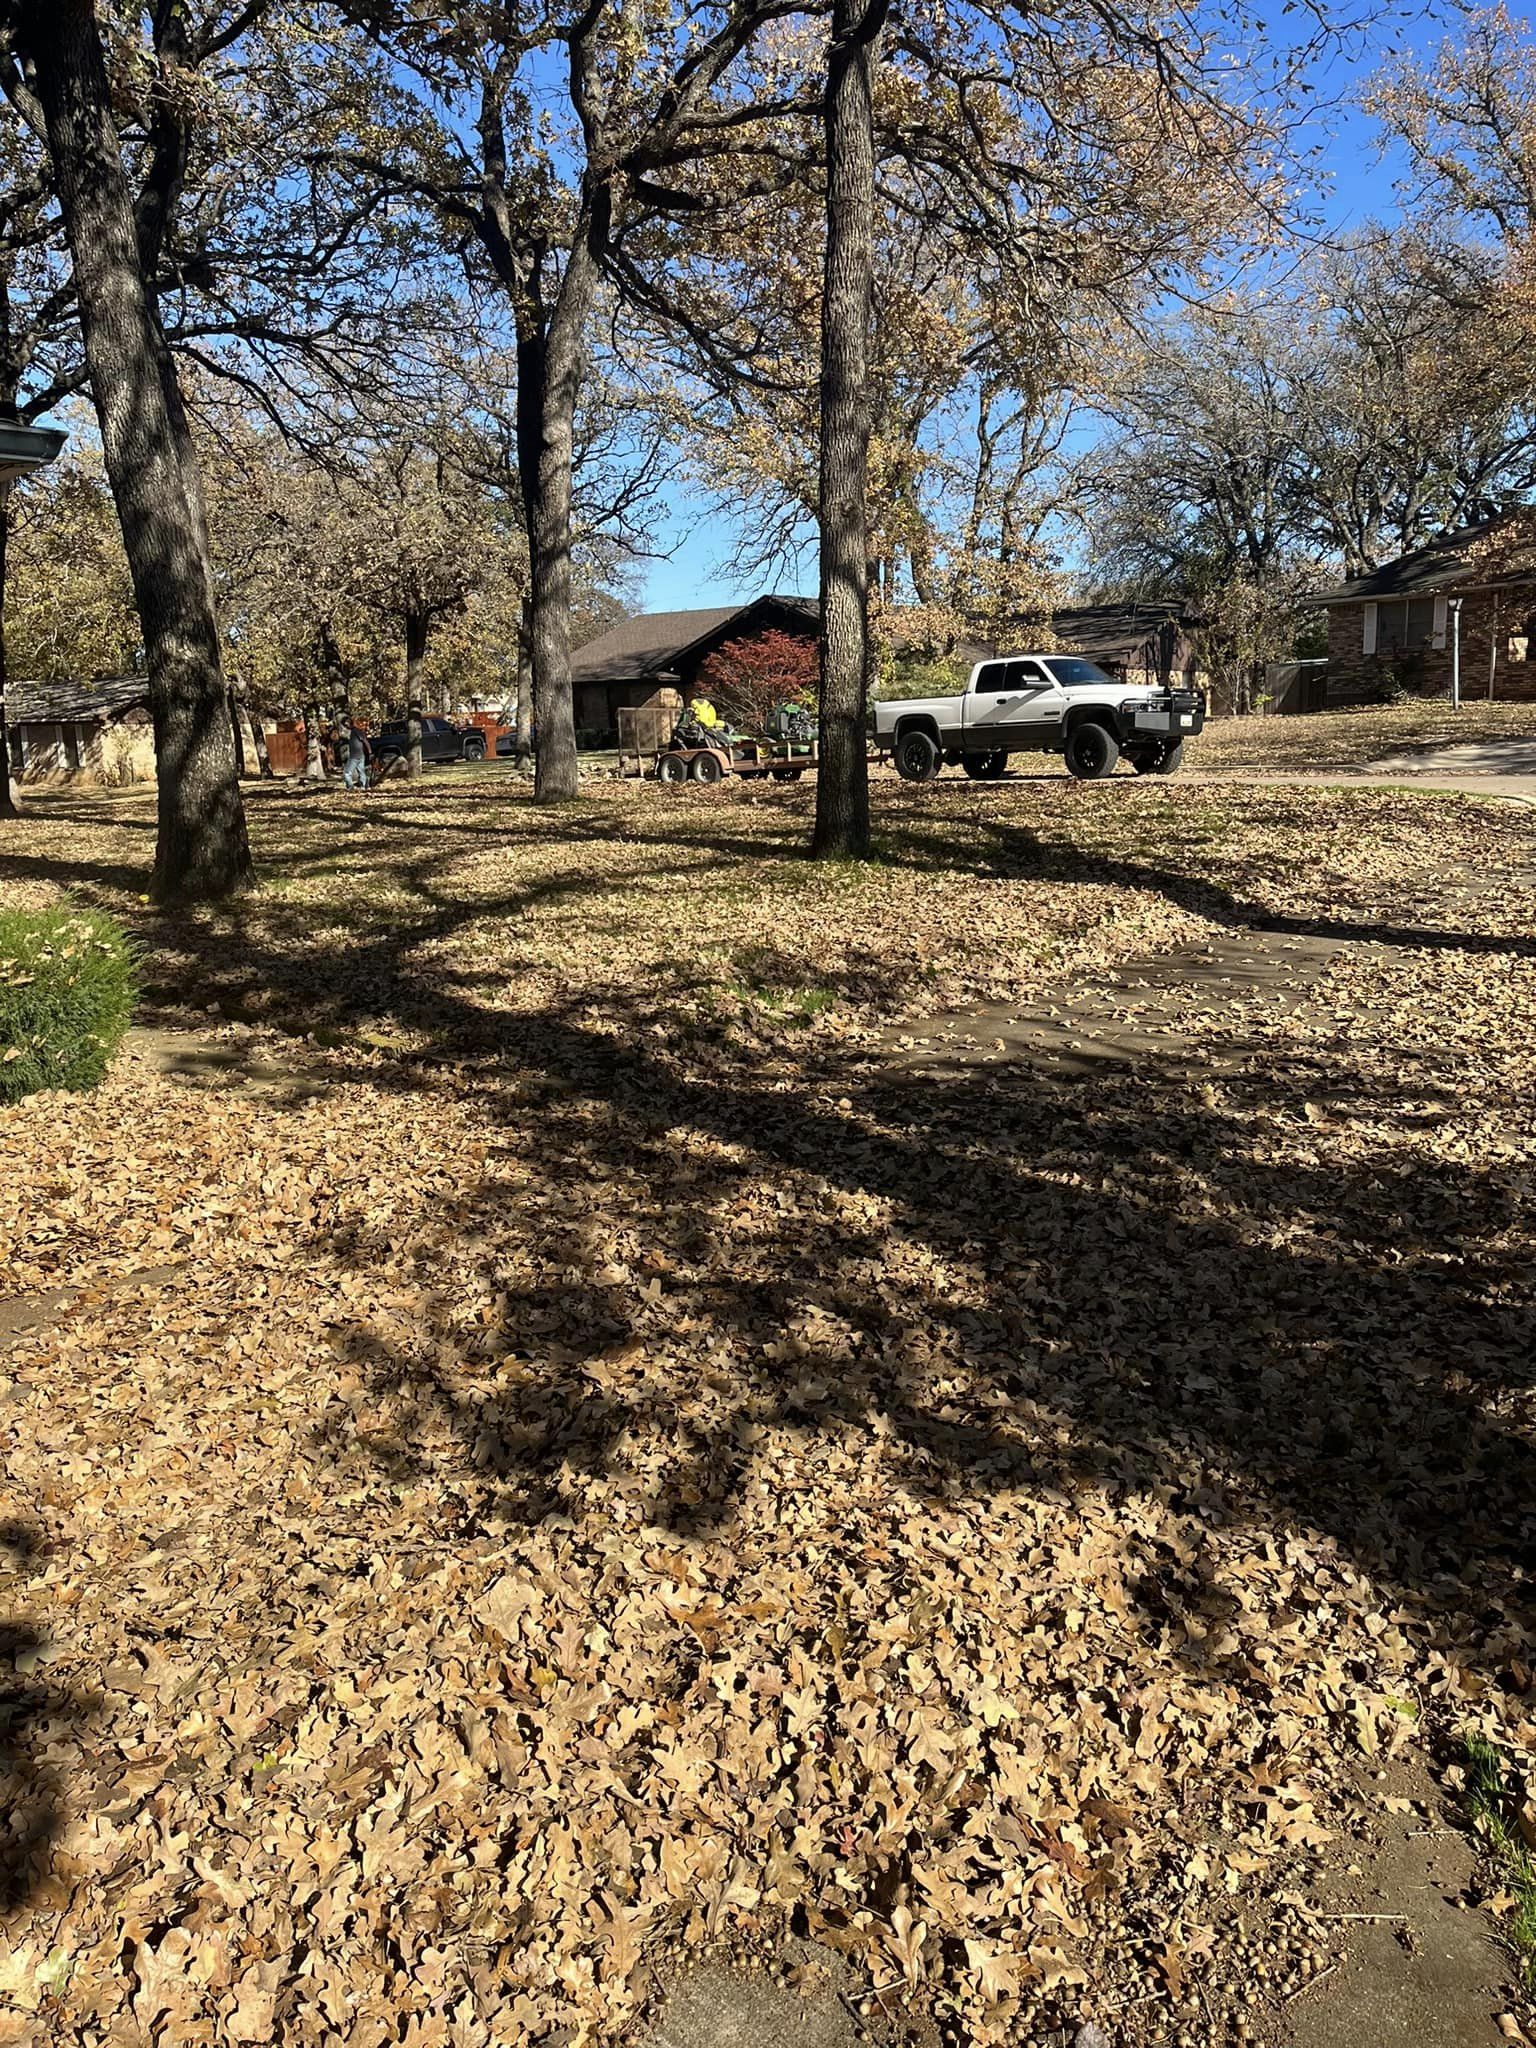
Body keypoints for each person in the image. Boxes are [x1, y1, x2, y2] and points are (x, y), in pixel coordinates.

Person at [342, 718, 373, 791]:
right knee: (361, 771)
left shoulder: (356, 731)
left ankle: (350, 787)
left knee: (347, 772)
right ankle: (364, 786)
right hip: (359, 755)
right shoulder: (352, 732)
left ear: (351, 723)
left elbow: (365, 741)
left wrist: (370, 752)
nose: (346, 726)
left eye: (347, 724)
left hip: (355, 756)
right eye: (345, 725)